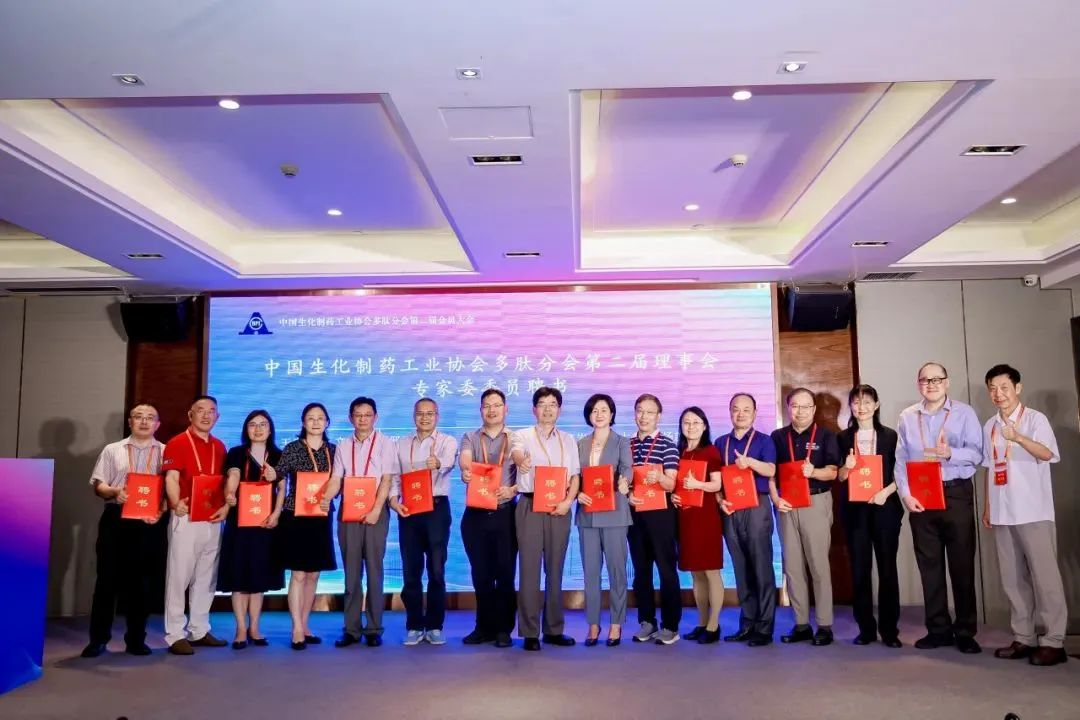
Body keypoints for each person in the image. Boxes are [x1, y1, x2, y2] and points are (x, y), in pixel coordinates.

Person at [895, 362, 983, 654]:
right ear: (918, 384)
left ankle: (965, 631)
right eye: (925, 380)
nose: (930, 384)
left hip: (955, 493)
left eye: (936, 379)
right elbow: (900, 460)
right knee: (929, 567)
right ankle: (938, 630)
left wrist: (950, 453)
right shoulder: (908, 416)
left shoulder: (964, 413)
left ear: (947, 382)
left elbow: (978, 454)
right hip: (921, 497)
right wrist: (906, 495)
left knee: (962, 565)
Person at [982, 364, 1067, 666]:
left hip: (1033, 510)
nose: (998, 394)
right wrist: (988, 507)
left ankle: (1054, 641)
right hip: (1003, 511)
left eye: (1004, 387)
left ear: (1017, 388)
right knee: (1013, 579)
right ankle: (1024, 637)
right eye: (993, 388)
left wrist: (1018, 437)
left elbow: (1048, 454)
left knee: (1046, 578)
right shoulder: (990, 425)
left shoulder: (1035, 419)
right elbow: (989, 468)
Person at [81, 403, 166, 658]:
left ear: (157, 424)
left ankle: (136, 639)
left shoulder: (166, 452)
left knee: (142, 583)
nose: (144, 421)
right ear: (130, 422)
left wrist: (161, 510)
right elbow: (98, 485)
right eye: (138, 417)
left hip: (149, 522)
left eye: (150, 418)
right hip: (116, 519)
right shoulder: (112, 449)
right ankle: (98, 640)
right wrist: (114, 492)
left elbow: (170, 489)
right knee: (106, 581)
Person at [510, 386, 581, 651]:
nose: (547, 409)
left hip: (559, 507)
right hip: (530, 505)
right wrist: (521, 461)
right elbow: (516, 453)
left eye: (553, 404)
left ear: (559, 410)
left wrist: (568, 501)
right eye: (542, 404)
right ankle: (530, 632)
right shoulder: (522, 435)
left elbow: (575, 476)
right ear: (534, 409)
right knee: (529, 570)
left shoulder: (568, 440)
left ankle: (553, 629)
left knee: (555, 569)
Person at [770, 387, 840, 646]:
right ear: (788, 408)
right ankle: (801, 624)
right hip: (787, 504)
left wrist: (814, 472)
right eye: (795, 406)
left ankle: (824, 624)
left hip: (816, 501)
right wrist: (775, 499)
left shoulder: (826, 435)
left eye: (806, 406)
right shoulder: (778, 437)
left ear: (814, 409)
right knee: (792, 566)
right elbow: (771, 474)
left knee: (818, 565)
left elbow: (833, 472)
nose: (800, 411)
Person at [162, 395, 230, 655]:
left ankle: (199, 629)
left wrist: (225, 507)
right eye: (200, 410)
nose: (206, 415)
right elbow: (171, 477)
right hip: (186, 516)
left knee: (206, 576)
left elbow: (223, 483)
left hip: (212, 518)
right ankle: (175, 634)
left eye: (211, 411)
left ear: (217, 417)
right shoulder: (178, 442)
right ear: (190, 415)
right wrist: (175, 502)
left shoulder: (220, 446)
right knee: (179, 576)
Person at [327, 397, 397, 648]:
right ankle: (351, 629)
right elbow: (336, 478)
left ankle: (374, 628)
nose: (363, 419)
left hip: (376, 511)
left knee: (375, 572)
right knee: (351, 573)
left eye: (368, 415)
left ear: (375, 417)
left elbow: (387, 479)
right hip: (349, 512)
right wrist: (325, 498)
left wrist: (377, 509)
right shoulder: (343, 446)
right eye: (358, 414)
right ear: (350, 418)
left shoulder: (386, 443)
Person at [837, 385, 903, 648]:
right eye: (856, 402)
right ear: (851, 407)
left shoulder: (890, 436)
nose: (861, 407)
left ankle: (890, 630)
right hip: (855, 511)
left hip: (885, 506)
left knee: (887, 568)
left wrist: (886, 492)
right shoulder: (843, 438)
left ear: (876, 405)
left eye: (866, 402)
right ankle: (865, 628)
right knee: (860, 569)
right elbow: (839, 476)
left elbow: (901, 472)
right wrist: (846, 467)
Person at [391, 397, 458, 646]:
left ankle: (435, 625)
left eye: (430, 413)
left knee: (437, 570)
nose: (425, 418)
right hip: (409, 509)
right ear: (414, 416)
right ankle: (414, 625)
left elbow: (449, 462)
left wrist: (437, 463)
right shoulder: (401, 444)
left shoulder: (447, 441)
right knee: (411, 569)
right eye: (420, 413)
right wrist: (393, 501)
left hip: (436, 509)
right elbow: (395, 477)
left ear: (437, 416)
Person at [219, 410, 285, 649]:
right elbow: (233, 474)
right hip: (240, 522)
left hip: (265, 523)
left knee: (258, 577)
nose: (258, 429)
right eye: (253, 425)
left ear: (270, 429)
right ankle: (240, 629)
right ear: (246, 429)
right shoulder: (236, 453)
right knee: (239, 576)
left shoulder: (278, 455)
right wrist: (229, 493)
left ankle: (255, 627)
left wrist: (276, 514)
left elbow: (282, 487)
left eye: (263, 424)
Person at [716, 392, 777, 646]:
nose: (740, 414)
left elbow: (771, 470)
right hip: (731, 508)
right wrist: (720, 500)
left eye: (746, 409)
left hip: (756, 506)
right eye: (735, 409)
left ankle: (764, 627)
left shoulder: (764, 440)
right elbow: (716, 478)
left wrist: (749, 462)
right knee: (740, 568)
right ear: (730, 412)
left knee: (761, 567)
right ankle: (748, 622)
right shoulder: (721, 442)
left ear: (754, 413)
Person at [275, 402, 337, 650]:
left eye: (320, 418)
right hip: (296, 515)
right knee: (299, 574)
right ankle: (296, 628)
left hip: (322, 515)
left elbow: (339, 481)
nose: (316, 422)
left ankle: (306, 624)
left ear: (327, 422)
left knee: (314, 574)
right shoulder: (292, 448)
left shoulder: (333, 450)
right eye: (311, 418)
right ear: (303, 422)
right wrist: (271, 475)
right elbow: (279, 475)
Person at [458, 389, 518, 648]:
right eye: (486, 405)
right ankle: (483, 627)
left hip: (505, 514)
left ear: (506, 409)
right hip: (476, 515)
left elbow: (526, 471)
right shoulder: (470, 437)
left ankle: (504, 629)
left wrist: (513, 489)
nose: (492, 410)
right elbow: (465, 459)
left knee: (505, 573)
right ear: (480, 410)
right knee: (481, 574)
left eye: (497, 405)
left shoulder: (516, 438)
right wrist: (465, 470)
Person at [575, 393, 633, 647]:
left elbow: (627, 469)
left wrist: (624, 482)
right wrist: (577, 492)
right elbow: (574, 476)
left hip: (615, 514)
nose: (598, 415)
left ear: (612, 414)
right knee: (590, 573)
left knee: (617, 571)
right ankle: (593, 624)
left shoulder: (621, 442)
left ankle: (616, 624)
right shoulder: (580, 443)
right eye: (594, 411)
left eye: (603, 410)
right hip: (587, 515)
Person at [628, 393, 682, 645]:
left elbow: (672, 483)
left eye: (650, 412)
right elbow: (623, 480)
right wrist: (627, 494)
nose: (644, 416)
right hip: (635, 513)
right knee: (641, 570)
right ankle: (647, 621)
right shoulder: (627, 445)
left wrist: (659, 478)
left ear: (658, 416)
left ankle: (671, 625)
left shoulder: (667, 445)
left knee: (666, 569)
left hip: (661, 514)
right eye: (640, 411)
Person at [672, 406, 725, 644]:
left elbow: (717, 485)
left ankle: (714, 626)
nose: (691, 427)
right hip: (686, 517)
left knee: (711, 571)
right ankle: (702, 623)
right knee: (696, 573)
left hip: (706, 518)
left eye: (696, 422)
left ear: (704, 426)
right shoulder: (679, 452)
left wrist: (698, 485)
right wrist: (675, 496)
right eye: (686, 422)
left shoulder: (710, 451)